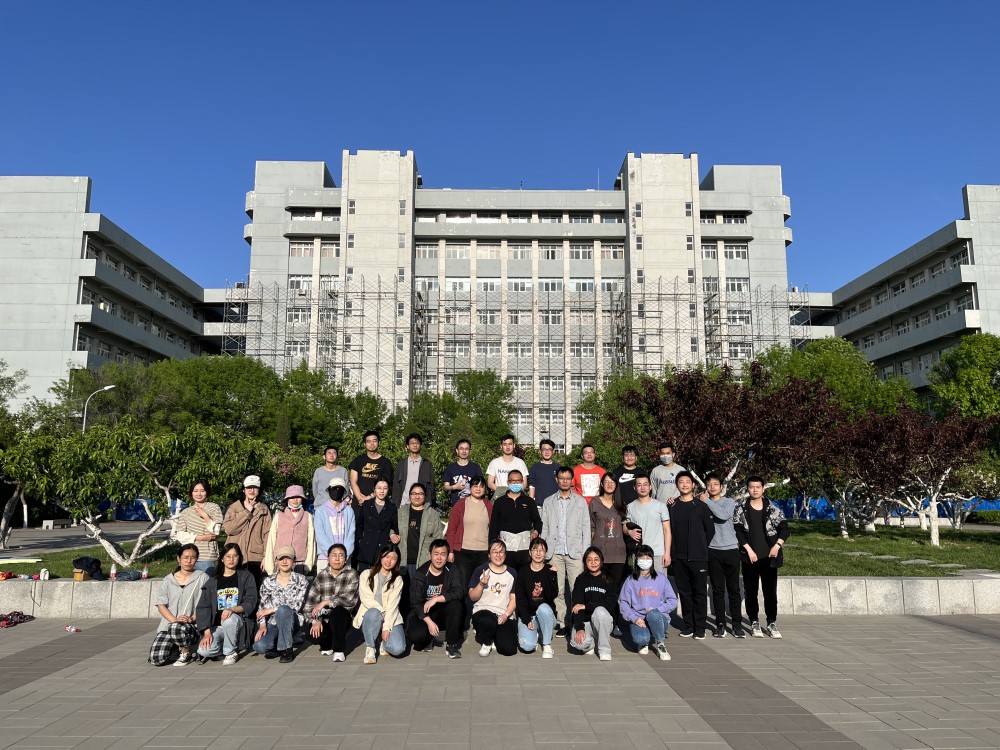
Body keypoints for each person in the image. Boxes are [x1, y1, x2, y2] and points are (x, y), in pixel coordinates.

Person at [734, 475, 790, 639]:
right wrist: (748, 550)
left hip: (769, 557)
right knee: (751, 592)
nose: (755, 490)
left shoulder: (773, 509)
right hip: (749, 557)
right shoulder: (741, 509)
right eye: (752, 487)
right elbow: (738, 531)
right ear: (748, 489)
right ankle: (754, 621)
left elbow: (785, 529)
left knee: (770, 592)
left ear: (763, 489)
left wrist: (777, 546)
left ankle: (771, 622)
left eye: (758, 487)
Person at [540, 466, 590, 636]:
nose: (565, 481)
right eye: (562, 478)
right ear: (557, 480)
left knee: (576, 589)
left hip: (575, 551)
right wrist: (545, 551)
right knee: (558, 589)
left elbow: (586, 527)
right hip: (555, 552)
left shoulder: (580, 501)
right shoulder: (548, 502)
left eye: (568, 478)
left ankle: (577, 621)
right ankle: (562, 622)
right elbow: (544, 527)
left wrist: (585, 552)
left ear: (572, 480)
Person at [195, 542, 258, 665]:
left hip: (238, 622)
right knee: (204, 651)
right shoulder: (213, 581)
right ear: (222, 559)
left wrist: (232, 609)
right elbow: (204, 607)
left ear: (239, 558)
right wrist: (206, 632)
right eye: (228, 556)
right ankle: (226, 647)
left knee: (229, 619)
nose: (231, 559)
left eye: (235, 556)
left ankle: (231, 652)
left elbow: (251, 601)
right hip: (218, 626)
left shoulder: (246, 577)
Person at [669, 471, 715, 639]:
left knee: (699, 593)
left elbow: (710, 530)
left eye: (688, 482)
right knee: (685, 592)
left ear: (693, 485)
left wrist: (700, 545)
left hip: (698, 557)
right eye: (681, 482)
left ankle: (700, 627)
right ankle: (689, 625)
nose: (684, 484)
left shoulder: (700, 506)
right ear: (677, 485)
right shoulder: (672, 506)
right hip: (678, 557)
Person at [148, 544, 209, 666]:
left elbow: (207, 604)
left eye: (193, 557)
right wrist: (174, 620)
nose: (189, 561)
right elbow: (161, 605)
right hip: (169, 625)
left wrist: (192, 618)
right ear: (178, 559)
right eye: (185, 557)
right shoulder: (168, 580)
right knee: (156, 659)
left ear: (197, 559)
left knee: (176, 628)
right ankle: (176, 647)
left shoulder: (202, 578)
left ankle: (186, 652)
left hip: (191, 626)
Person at [407, 539, 465, 658]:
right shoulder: (420, 573)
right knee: (416, 637)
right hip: (425, 613)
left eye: (443, 554)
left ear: (447, 556)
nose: (439, 558)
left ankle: (452, 644)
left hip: (444, 611)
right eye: (436, 554)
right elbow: (415, 602)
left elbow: (459, 592)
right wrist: (428, 621)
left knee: (456, 605)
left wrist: (437, 599)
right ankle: (429, 638)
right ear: (430, 555)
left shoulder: (453, 570)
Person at [302, 543, 360, 662]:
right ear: (328, 558)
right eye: (334, 555)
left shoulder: (352, 574)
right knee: (311, 632)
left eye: (341, 555)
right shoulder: (321, 576)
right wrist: (315, 621)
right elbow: (309, 605)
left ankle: (339, 650)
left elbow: (350, 599)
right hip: (324, 617)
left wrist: (327, 602)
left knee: (338, 611)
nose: (337, 559)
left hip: (343, 617)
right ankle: (326, 643)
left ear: (345, 559)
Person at [703, 472, 744, 638]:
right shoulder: (703, 503)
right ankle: (720, 624)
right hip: (713, 550)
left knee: (734, 589)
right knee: (717, 590)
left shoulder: (728, 502)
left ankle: (737, 625)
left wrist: (706, 501)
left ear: (721, 486)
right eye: (709, 484)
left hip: (731, 549)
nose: (712, 487)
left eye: (715, 484)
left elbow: (723, 515)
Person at [619, 544, 676, 661]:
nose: (645, 560)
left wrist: (657, 610)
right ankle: (644, 641)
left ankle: (660, 643)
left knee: (653, 614)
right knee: (641, 639)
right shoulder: (630, 580)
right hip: (640, 620)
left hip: (659, 618)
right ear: (636, 559)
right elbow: (623, 602)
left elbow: (673, 600)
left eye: (648, 558)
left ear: (652, 560)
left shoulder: (661, 578)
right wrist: (634, 618)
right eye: (642, 557)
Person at [253, 545, 310, 663]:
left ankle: (286, 650)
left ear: (294, 561)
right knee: (260, 646)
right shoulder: (268, 581)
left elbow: (296, 605)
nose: (284, 561)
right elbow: (262, 607)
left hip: (292, 620)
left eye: (288, 558)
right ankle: (278, 644)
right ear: (277, 561)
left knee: (284, 610)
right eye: (281, 558)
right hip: (273, 621)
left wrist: (271, 610)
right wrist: (262, 625)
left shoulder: (301, 580)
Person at [354, 545, 406, 663]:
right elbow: (366, 598)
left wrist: (386, 627)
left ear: (397, 561)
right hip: (372, 616)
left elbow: (393, 605)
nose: (389, 561)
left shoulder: (397, 580)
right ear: (381, 556)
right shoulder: (366, 574)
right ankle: (370, 647)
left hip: (390, 617)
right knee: (373, 612)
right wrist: (381, 610)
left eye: (394, 558)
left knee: (398, 649)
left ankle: (381, 641)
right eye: (387, 556)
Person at [468, 540, 517, 657]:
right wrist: (481, 584)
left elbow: (513, 599)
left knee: (509, 649)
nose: (498, 555)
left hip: (502, 614)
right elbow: (472, 597)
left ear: (505, 554)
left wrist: (506, 615)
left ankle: (494, 635)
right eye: (495, 552)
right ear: (489, 555)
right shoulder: (481, 570)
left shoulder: (512, 573)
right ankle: (486, 641)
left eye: (501, 552)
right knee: (488, 621)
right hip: (483, 612)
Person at [568, 547, 618, 661]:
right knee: (577, 644)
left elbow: (610, 604)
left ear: (601, 561)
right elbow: (576, 606)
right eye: (589, 560)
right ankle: (592, 642)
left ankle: (604, 650)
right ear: (585, 562)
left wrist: (587, 606)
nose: (593, 563)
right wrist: (579, 628)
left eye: (596, 559)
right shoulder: (581, 580)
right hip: (586, 621)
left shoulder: (609, 578)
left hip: (604, 621)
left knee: (600, 611)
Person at [222, 475, 272, 587]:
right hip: (235, 555)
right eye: (249, 487)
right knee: (233, 588)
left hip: (255, 557)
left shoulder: (264, 509)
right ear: (243, 490)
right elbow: (229, 529)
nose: (252, 490)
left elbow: (267, 534)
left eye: (255, 487)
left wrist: (266, 557)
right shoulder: (234, 508)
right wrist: (247, 511)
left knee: (253, 588)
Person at [445, 475, 493, 587]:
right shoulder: (460, 504)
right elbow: (451, 529)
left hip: (483, 552)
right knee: (463, 585)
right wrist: (450, 551)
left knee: (481, 585)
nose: (478, 489)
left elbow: (493, 528)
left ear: (485, 489)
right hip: (463, 553)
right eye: (475, 486)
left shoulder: (489, 505)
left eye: (481, 486)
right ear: (470, 488)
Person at [488, 470, 541, 571]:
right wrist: (491, 547)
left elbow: (538, 521)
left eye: (518, 481)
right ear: (508, 482)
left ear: (523, 482)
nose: (516, 483)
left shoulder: (529, 501)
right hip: (505, 547)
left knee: (524, 576)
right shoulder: (499, 502)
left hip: (525, 547)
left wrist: (536, 532)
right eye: (513, 481)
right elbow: (494, 526)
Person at [514, 537, 558, 657]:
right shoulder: (523, 572)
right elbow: (520, 599)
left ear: (546, 553)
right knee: (526, 646)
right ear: (530, 552)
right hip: (529, 615)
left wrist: (552, 577)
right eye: (535, 549)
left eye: (541, 550)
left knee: (543, 608)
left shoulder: (550, 570)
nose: (538, 553)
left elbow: (552, 596)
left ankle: (546, 644)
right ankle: (537, 634)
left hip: (545, 614)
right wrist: (527, 619)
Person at [263, 486, 316, 575]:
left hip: (300, 563)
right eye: (292, 497)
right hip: (280, 561)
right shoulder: (278, 516)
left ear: (302, 499)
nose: (295, 500)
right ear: (287, 499)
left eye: (298, 497)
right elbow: (271, 540)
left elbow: (311, 541)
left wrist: (309, 564)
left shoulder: (308, 516)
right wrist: (269, 566)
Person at [173, 479, 223, 573]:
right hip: (188, 556)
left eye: (202, 491)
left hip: (207, 556)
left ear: (207, 492)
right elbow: (180, 535)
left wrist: (204, 515)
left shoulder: (214, 508)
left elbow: (216, 532)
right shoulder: (186, 512)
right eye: (195, 491)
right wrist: (202, 537)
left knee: (206, 581)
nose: (199, 494)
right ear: (191, 493)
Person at [625, 473, 672, 574]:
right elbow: (624, 526)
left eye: (645, 484)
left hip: (658, 553)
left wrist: (667, 553)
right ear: (634, 488)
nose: (643, 487)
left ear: (650, 487)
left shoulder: (660, 506)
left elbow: (667, 530)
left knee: (659, 582)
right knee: (639, 582)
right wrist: (629, 532)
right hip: (638, 553)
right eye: (639, 485)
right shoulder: (629, 507)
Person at [590, 472, 628, 585]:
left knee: (615, 587)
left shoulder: (621, 503)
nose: (609, 484)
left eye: (612, 482)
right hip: (600, 552)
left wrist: (630, 531)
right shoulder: (595, 502)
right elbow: (591, 526)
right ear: (602, 484)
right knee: (599, 586)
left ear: (616, 485)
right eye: (606, 482)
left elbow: (624, 525)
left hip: (618, 553)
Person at [397, 483, 443, 575]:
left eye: (420, 494)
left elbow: (438, 537)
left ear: (425, 496)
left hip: (424, 561)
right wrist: (392, 534)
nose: (417, 496)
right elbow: (392, 529)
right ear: (409, 495)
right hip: (402, 560)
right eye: (414, 493)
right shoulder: (400, 512)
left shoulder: (433, 514)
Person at [356, 479, 400, 573]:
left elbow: (394, 527)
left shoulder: (392, 507)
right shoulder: (367, 505)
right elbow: (359, 525)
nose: (382, 491)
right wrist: (360, 541)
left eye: (385, 488)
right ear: (374, 489)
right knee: (364, 578)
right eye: (379, 488)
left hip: (382, 551)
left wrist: (392, 535)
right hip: (366, 549)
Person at [315, 477, 356, 573]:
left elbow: (351, 534)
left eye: (340, 489)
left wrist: (343, 554)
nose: (337, 491)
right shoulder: (320, 511)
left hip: (345, 558)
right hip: (325, 557)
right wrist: (331, 554)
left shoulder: (349, 511)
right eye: (334, 488)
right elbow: (320, 535)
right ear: (329, 490)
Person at [349, 430, 394, 504]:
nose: (372, 443)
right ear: (364, 444)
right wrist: (360, 498)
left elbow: (385, 485)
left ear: (379, 443)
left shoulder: (386, 462)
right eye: (368, 441)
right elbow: (353, 482)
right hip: (358, 503)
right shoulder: (358, 460)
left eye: (374, 441)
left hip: (377, 503)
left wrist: (368, 498)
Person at [393, 432, 436, 505]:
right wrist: (396, 503)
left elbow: (431, 486)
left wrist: (428, 503)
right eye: (412, 443)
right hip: (403, 503)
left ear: (421, 446)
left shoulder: (427, 464)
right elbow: (396, 486)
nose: (415, 445)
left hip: (421, 504)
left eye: (417, 443)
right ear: (407, 446)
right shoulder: (401, 464)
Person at [443, 438, 483, 505]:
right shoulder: (451, 467)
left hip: (473, 504)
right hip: (456, 505)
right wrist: (454, 487)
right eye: (461, 449)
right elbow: (445, 486)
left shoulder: (475, 467)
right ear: (457, 450)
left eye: (466, 449)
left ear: (469, 451)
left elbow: (481, 486)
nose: (464, 451)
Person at [528, 439, 560, 507]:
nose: (547, 452)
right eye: (544, 449)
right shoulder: (535, 467)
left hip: (555, 505)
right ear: (540, 451)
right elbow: (532, 486)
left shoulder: (558, 467)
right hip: (539, 506)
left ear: (553, 451)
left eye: (549, 449)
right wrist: (531, 504)